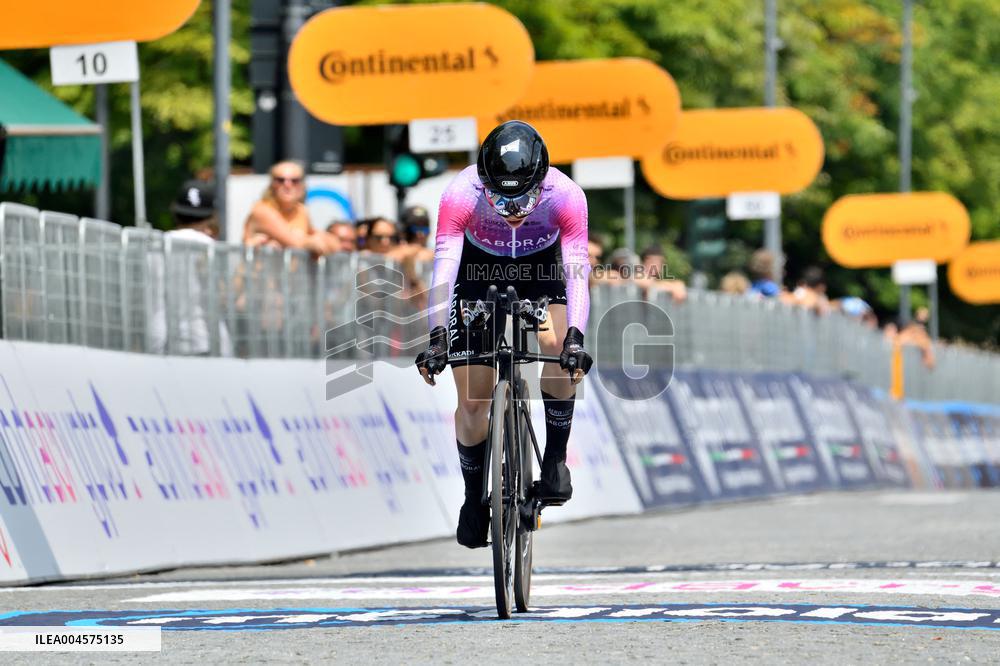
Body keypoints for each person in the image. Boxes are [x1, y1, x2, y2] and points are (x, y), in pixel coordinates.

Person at [414, 120, 593, 549]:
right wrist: (437, 335)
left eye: (522, 197)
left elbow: (576, 269)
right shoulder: (461, 194)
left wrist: (576, 337)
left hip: (540, 268)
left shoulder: (566, 195)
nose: (512, 208)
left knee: (556, 349)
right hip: (478, 269)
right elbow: (444, 266)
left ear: (542, 179)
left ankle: (554, 461)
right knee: (473, 398)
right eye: (501, 197)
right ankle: (473, 498)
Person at [150, 180, 233, 357]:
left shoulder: (157, 244)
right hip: (204, 340)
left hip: (163, 341)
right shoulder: (209, 246)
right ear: (211, 215)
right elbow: (222, 298)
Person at [243, 160, 335, 254]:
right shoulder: (262, 210)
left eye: (294, 181)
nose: (287, 185)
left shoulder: (302, 211)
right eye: (280, 180)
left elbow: (333, 244)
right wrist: (309, 241)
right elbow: (295, 244)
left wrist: (313, 240)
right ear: (272, 185)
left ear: (303, 185)